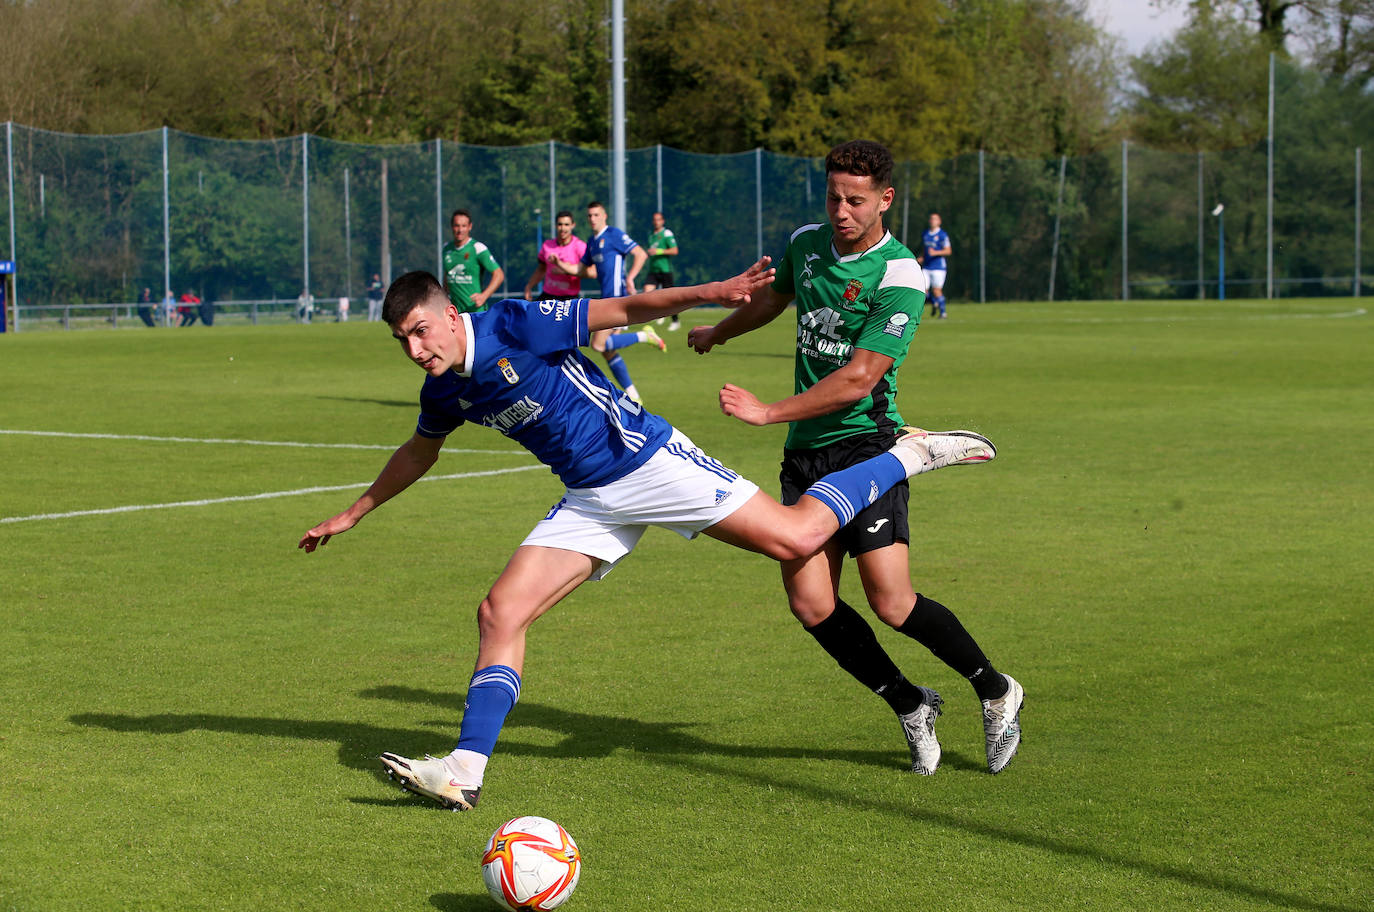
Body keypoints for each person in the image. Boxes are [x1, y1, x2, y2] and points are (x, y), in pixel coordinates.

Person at [298, 260, 997, 811]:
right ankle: (463, 773)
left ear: (453, 315)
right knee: (500, 611)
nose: (416, 348)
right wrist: (353, 513)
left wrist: (714, 292)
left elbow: (625, 309)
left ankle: (909, 453)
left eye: (422, 330)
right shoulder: (443, 389)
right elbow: (420, 451)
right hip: (591, 497)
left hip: (647, 460)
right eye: (403, 341)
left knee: (793, 539)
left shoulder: (513, 322)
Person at [688, 140, 1022, 776]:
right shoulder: (807, 242)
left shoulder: (900, 275)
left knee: (891, 603)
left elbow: (859, 379)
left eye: (856, 200)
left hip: (869, 448)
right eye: (834, 197)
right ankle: (909, 702)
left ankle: (996, 690)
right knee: (811, 604)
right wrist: (718, 330)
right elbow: (774, 298)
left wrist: (767, 411)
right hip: (805, 455)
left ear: (885, 200)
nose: (841, 210)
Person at [546, 201, 662, 402]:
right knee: (607, 351)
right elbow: (580, 270)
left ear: (604, 216)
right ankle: (634, 396)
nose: (592, 219)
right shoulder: (592, 242)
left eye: (596, 215)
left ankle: (645, 336)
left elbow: (640, 254)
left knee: (598, 345)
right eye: (589, 215)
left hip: (618, 298)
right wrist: (560, 264)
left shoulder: (614, 235)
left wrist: (631, 277)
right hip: (607, 298)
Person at [443, 209, 505, 313]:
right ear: (452, 226)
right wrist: (444, 297)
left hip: (476, 312)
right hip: (456, 313)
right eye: (457, 225)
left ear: (470, 227)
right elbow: (448, 275)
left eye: (464, 226)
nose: (460, 230)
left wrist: (484, 296)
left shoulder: (478, 248)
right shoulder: (446, 249)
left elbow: (499, 275)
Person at [523, 210, 586, 303]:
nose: (562, 228)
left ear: (573, 225)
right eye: (560, 224)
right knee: (529, 314)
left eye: (566, 225)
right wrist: (529, 286)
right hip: (548, 296)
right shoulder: (547, 245)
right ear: (555, 226)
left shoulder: (580, 246)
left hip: (570, 298)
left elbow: (590, 272)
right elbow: (541, 269)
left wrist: (566, 271)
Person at [644, 211, 680, 330]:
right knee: (647, 291)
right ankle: (659, 313)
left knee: (670, 298)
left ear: (663, 221)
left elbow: (675, 251)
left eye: (658, 219)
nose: (656, 222)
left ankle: (675, 321)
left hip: (665, 270)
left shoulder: (667, 233)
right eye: (654, 220)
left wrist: (659, 251)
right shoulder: (651, 235)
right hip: (653, 269)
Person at [918, 213, 951, 319]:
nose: (932, 221)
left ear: (939, 222)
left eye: (935, 219)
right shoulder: (925, 234)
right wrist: (922, 257)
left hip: (938, 267)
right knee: (923, 290)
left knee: (937, 291)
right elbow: (925, 249)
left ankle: (943, 313)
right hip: (927, 267)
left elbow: (948, 251)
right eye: (931, 219)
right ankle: (934, 303)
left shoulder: (942, 235)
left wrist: (936, 253)